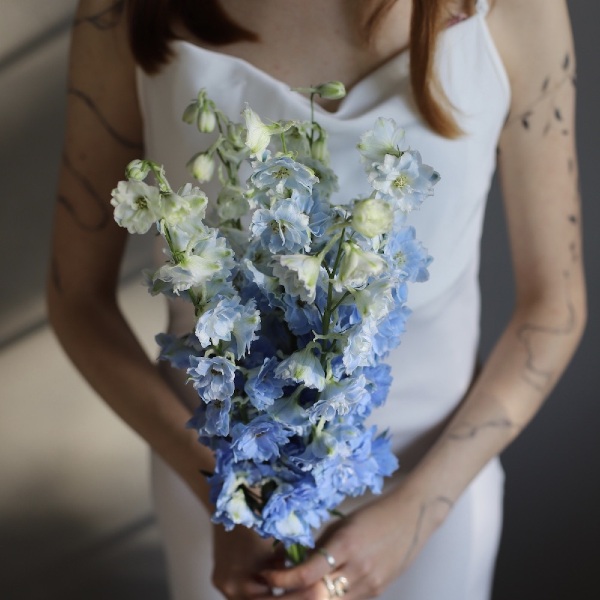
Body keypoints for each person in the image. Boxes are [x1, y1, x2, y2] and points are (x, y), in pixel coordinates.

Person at [47, 0, 586, 598]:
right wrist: (225, 491)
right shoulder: (120, 12)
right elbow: (78, 304)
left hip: (434, 494)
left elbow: (554, 307)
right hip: (221, 513)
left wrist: (421, 512)